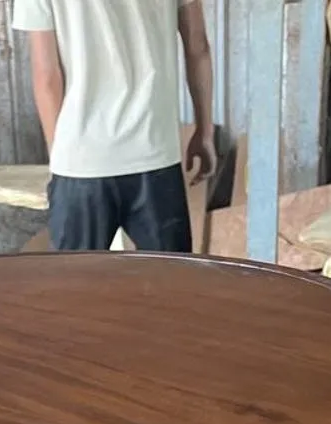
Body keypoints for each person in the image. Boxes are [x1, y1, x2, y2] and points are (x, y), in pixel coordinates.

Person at [12, 0, 217, 253]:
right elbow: (197, 47)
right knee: (168, 277)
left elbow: (46, 76)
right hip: (154, 152)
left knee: (74, 278)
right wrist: (204, 130)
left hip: (81, 161)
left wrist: (62, 157)